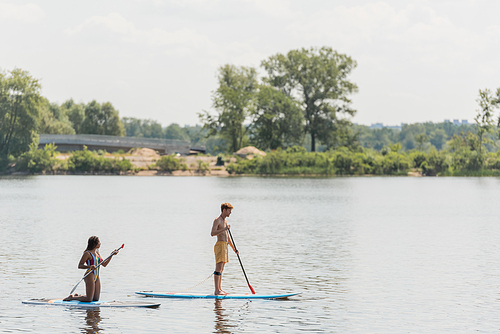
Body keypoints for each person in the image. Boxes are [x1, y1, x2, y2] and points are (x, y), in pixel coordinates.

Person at [64, 236, 120, 302]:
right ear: (94, 244)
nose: (100, 243)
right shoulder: (87, 253)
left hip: (97, 276)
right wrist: (90, 266)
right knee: (89, 299)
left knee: (95, 299)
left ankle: (77, 296)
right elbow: (80, 265)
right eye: (99, 242)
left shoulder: (97, 253)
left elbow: (104, 264)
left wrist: (111, 255)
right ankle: (72, 297)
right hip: (90, 275)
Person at [211, 202, 238, 295]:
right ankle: (216, 290)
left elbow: (227, 237)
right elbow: (212, 233)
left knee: (222, 269)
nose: (230, 213)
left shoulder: (225, 221)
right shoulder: (217, 220)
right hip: (219, 245)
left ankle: (219, 289)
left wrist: (234, 249)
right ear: (224, 210)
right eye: (229, 211)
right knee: (218, 268)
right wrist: (224, 229)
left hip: (225, 246)